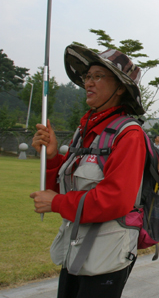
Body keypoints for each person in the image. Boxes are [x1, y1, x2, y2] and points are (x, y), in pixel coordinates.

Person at [30, 45, 146, 298]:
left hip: (106, 257)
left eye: (97, 76)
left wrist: (58, 203)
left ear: (119, 87)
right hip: (75, 251)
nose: (88, 83)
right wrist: (51, 158)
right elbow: (64, 185)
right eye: (87, 77)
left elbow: (115, 199)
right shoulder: (85, 131)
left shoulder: (129, 135)